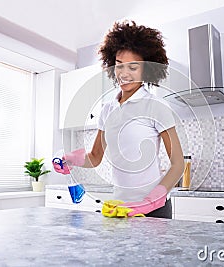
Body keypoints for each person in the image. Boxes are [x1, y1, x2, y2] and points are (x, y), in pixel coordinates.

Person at [53, 21, 184, 219]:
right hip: (120, 207)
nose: (124, 73)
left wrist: (152, 200)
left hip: (154, 209)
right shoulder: (107, 110)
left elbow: (178, 164)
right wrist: (72, 159)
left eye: (133, 67)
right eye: (119, 65)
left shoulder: (155, 106)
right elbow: (95, 156)